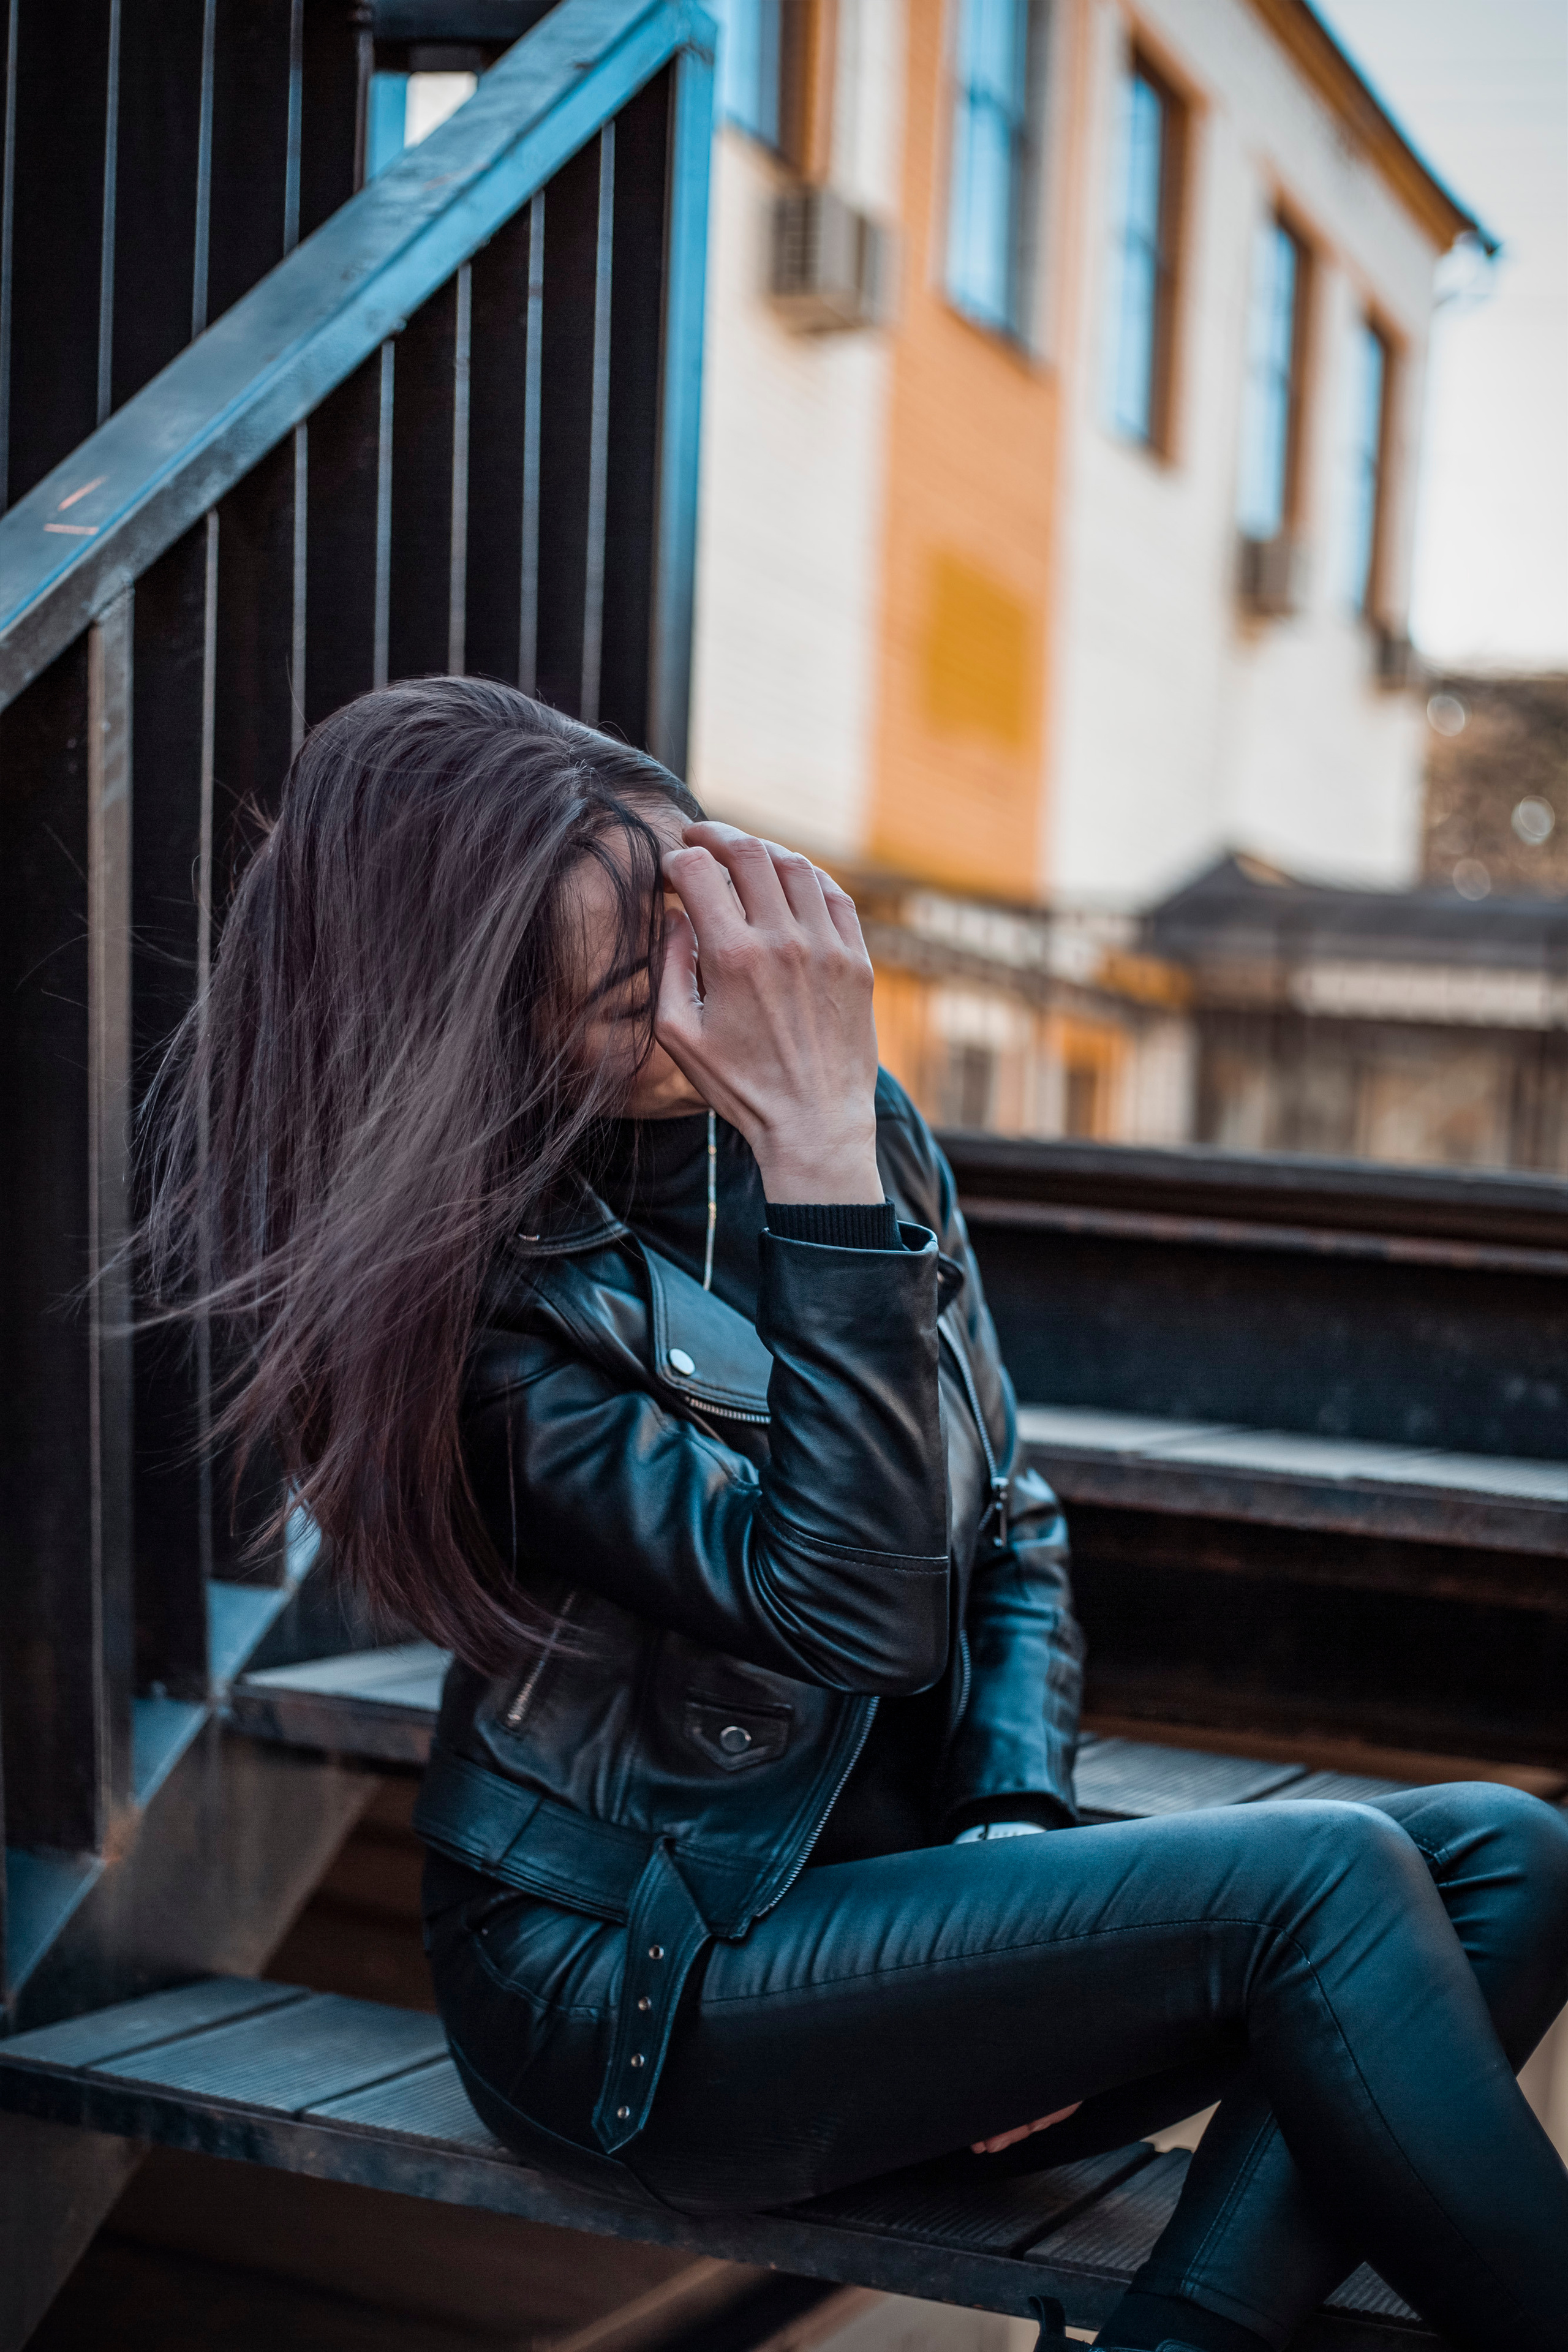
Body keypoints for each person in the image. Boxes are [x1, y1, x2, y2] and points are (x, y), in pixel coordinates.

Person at [144, 678, 1568, 2352]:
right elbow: (855, 1604)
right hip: (640, 1983)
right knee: (1322, 1883)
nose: (715, 1000)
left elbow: (1009, 1517)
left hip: (879, 1905)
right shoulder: (487, 1316)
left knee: (1505, 1854)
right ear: (487, 1030)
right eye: (631, 993)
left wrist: (1014, 1841)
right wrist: (818, 1149)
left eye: (702, 928)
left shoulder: (848, 1138)